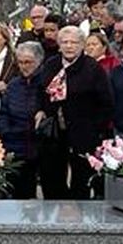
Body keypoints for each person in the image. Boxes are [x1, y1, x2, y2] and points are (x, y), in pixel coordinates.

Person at [35, 26, 114, 200]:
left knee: (81, 180)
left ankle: (78, 221)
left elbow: (106, 103)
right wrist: (40, 110)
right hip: (54, 133)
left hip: (83, 133)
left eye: (74, 42)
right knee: (52, 178)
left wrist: (95, 129)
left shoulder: (92, 68)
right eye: (65, 42)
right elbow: (40, 91)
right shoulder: (51, 64)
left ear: (82, 45)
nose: (69, 46)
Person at [1, 42, 48, 199]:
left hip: (39, 144)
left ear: (39, 61)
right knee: (17, 191)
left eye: (28, 62)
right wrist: (6, 132)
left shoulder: (46, 82)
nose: (24, 66)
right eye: (20, 62)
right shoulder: (14, 85)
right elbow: (4, 112)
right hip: (15, 143)